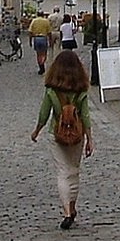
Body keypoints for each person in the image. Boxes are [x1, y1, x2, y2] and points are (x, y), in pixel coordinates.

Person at [31, 49, 94, 229]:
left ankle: (67, 210)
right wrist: (89, 138)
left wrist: (37, 130)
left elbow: (44, 112)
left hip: (56, 134)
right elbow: (85, 115)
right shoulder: (80, 89)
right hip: (76, 135)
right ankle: (72, 208)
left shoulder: (52, 90)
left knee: (62, 171)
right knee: (73, 171)